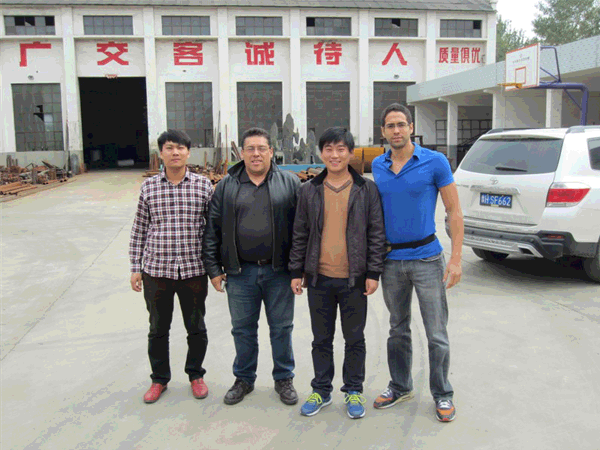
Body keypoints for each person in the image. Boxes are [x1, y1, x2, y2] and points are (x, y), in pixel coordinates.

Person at [372, 103, 464, 422]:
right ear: (383, 132)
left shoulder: (435, 162)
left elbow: (454, 211)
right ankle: (400, 386)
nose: (396, 130)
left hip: (427, 258)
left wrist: (456, 259)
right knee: (397, 329)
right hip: (391, 261)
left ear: (411, 127)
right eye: (390, 126)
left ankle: (442, 393)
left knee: (436, 331)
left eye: (401, 124)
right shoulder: (378, 165)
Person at [289, 127, 386, 419]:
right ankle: (321, 389)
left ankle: (354, 390)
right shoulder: (309, 190)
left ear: (351, 153)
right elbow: (300, 233)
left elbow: (376, 233)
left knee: (354, 339)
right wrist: (296, 271)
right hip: (319, 278)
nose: (335, 155)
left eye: (341, 149)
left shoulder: (366, 189)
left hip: (354, 279)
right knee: (321, 339)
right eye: (329, 149)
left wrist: (373, 272)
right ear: (321, 153)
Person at [202, 127, 301, 406]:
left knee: (281, 328)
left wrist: (298, 270)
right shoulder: (227, 185)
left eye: (261, 148)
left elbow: (301, 230)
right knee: (243, 330)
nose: (256, 154)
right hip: (240, 272)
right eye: (250, 149)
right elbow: (212, 229)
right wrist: (213, 269)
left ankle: (284, 378)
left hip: (279, 272)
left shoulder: (290, 183)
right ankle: (244, 378)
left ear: (271, 152)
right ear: (242, 153)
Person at [129, 129, 214, 404]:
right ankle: (159, 379)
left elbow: (214, 230)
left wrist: (216, 267)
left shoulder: (203, 186)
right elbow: (140, 228)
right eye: (169, 148)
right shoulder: (149, 187)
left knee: (196, 327)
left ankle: (196, 375)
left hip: (193, 270)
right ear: (161, 153)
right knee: (157, 329)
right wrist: (135, 266)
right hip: (156, 271)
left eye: (180, 148)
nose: (175, 152)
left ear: (188, 152)